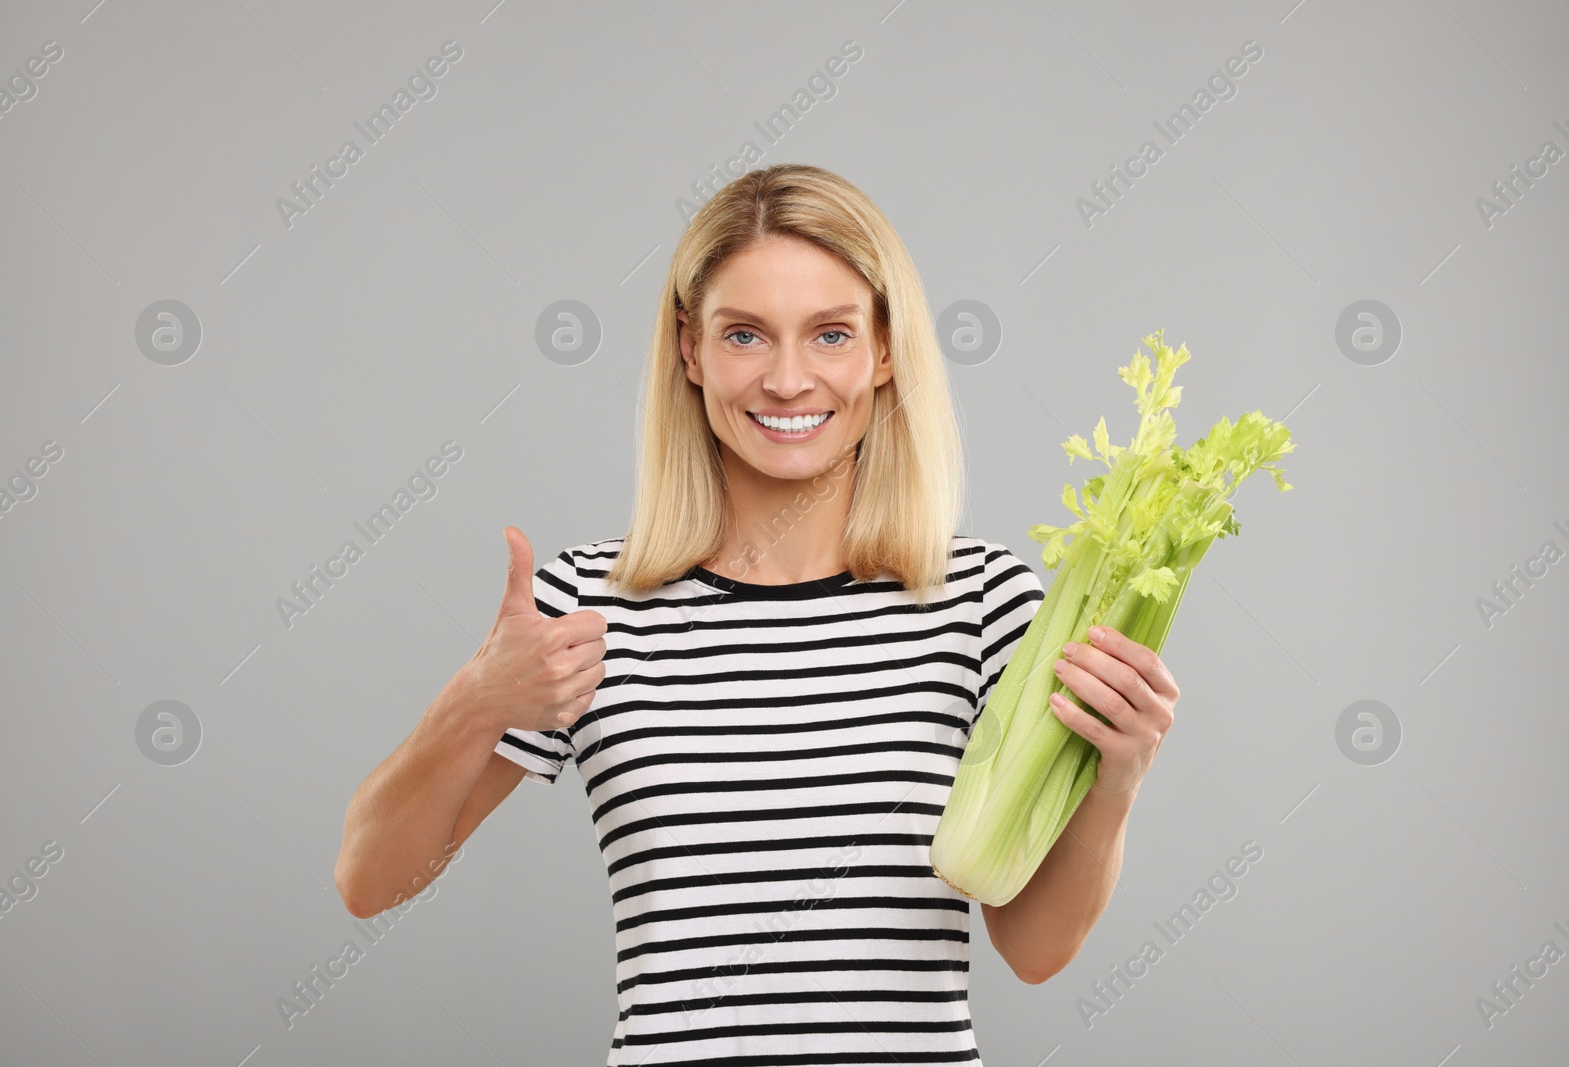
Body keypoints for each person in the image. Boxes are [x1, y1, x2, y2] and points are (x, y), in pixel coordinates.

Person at [333, 163, 1179, 1065]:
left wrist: (1116, 781)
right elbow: (373, 883)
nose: (786, 379)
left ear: (884, 351)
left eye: (829, 334)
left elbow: (1035, 950)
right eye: (744, 335)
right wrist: (474, 702)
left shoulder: (980, 605)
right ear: (689, 351)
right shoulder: (584, 608)